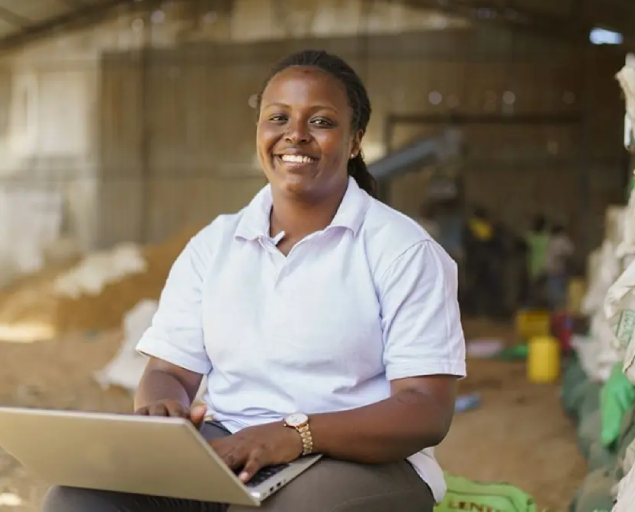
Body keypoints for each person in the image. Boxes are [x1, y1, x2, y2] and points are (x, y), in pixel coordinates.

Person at [42, 50, 466, 512]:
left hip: (357, 458)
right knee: (79, 498)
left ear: (356, 139)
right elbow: (168, 371)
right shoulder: (215, 244)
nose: (295, 135)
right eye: (278, 117)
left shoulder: (403, 250)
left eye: (321, 121)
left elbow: (425, 408)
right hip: (230, 444)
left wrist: (294, 436)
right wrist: (163, 410)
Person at [545, 224, 574, 310]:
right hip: (557, 270)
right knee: (559, 294)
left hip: (551, 269)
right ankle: (560, 311)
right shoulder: (562, 240)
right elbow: (570, 252)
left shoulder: (552, 240)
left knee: (554, 293)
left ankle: (557, 311)